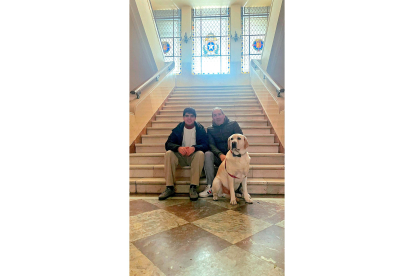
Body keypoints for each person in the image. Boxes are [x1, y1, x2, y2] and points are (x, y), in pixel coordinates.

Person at [159, 107, 209, 201]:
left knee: (200, 154)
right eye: (187, 116)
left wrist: (195, 148)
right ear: (183, 117)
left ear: (195, 118)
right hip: (180, 156)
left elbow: (206, 145)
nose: (189, 118)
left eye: (191, 116)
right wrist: (178, 148)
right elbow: (168, 144)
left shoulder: (200, 129)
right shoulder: (178, 129)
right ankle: (169, 187)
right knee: (168, 153)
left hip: (193, 157)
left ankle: (193, 187)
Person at [199, 107, 243, 197]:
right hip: (219, 157)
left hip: (233, 156)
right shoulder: (210, 129)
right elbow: (211, 145)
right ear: (212, 118)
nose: (217, 117)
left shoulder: (233, 124)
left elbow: (240, 140)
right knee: (207, 154)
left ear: (223, 115)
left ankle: (239, 187)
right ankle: (210, 186)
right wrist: (220, 155)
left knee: (241, 155)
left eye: (219, 114)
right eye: (215, 115)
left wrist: (230, 154)